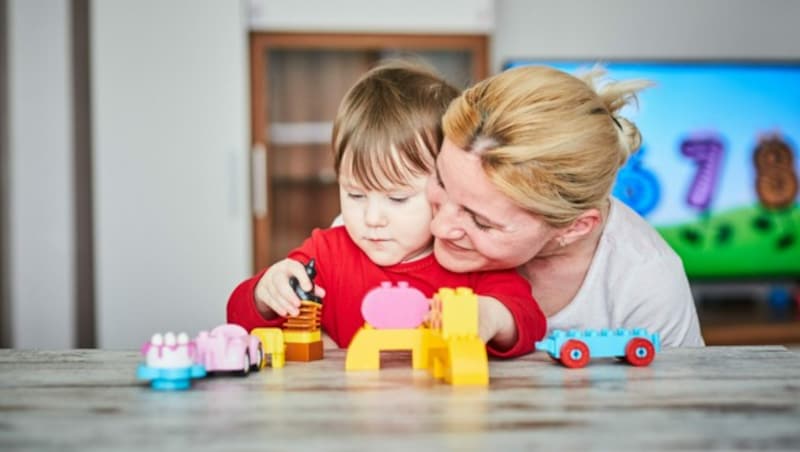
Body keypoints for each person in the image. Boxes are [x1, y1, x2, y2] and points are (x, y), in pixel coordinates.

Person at [227, 62, 547, 358]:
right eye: (355, 194)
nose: (372, 219)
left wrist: (490, 315)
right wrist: (265, 294)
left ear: (445, 186)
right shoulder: (325, 254)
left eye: (397, 199)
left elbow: (530, 321)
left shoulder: (467, 257)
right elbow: (238, 318)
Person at [426, 65, 705, 348]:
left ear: (574, 227)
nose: (438, 226)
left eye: (481, 222)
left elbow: (675, 390)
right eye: (440, 181)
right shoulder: (403, 219)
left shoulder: (647, 283)